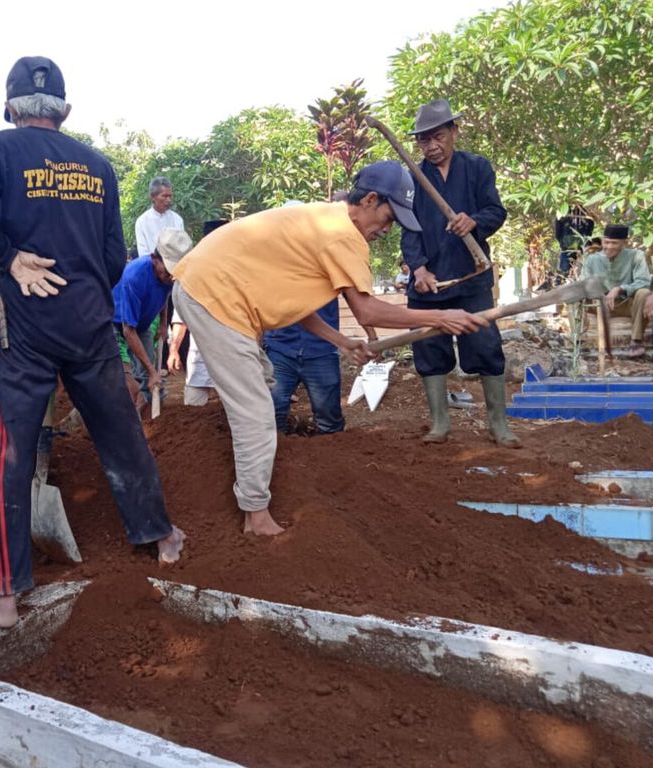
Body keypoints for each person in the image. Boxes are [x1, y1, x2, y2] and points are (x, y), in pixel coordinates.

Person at [0, 55, 185, 628]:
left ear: (9, 109)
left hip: (27, 331)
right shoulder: (98, 166)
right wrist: (81, 292)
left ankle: (3, 593)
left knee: (12, 450)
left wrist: (8, 258)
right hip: (90, 324)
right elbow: (112, 258)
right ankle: (161, 535)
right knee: (120, 430)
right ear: (66, 111)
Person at [172, 161, 487, 536]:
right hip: (214, 297)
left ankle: (250, 465)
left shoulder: (326, 220)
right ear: (370, 200)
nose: (386, 231)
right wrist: (439, 317)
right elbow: (367, 309)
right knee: (256, 413)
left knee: (262, 380)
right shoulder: (342, 235)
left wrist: (341, 341)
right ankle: (255, 516)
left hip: (211, 291)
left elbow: (295, 303)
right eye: (388, 219)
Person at [400, 98, 519, 448]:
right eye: (424, 140)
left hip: (472, 277)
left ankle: (498, 424)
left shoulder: (477, 168)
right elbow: (409, 229)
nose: (432, 146)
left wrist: (475, 221)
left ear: (454, 131)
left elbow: (496, 211)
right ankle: (440, 423)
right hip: (429, 284)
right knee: (429, 349)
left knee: (484, 345)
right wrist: (418, 268)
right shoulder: (413, 178)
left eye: (438, 136)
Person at [113, 228, 189, 415]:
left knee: (151, 380)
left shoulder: (168, 277)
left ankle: (150, 419)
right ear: (155, 258)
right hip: (114, 324)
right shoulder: (135, 277)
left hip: (142, 324)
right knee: (124, 381)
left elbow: (163, 296)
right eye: (168, 270)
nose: (170, 276)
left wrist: (163, 324)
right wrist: (153, 371)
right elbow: (128, 331)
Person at [264, 299, 346, 434]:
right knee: (273, 406)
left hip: (322, 348)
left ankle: (331, 449)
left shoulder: (333, 277)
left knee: (328, 412)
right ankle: (279, 448)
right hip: (280, 346)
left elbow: (356, 298)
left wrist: (372, 337)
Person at [580, 224, 652, 357]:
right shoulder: (592, 259)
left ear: (624, 243)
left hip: (627, 304)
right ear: (602, 241)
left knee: (644, 293)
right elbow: (583, 284)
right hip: (600, 305)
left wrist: (620, 289)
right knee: (575, 295)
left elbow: (644, 281)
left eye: (614, 243)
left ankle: (636, 341)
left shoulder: (636, 255)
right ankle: (579, 341)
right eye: (606, 242)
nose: (609, 247)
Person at [134, 176, 185, 257]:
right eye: (164, 196)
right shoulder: (142, 222)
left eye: (170, 196)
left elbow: (181, 248)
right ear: (152, 196)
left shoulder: (177, 220)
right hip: (151, 266)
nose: (168, 200)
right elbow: (143, 253)